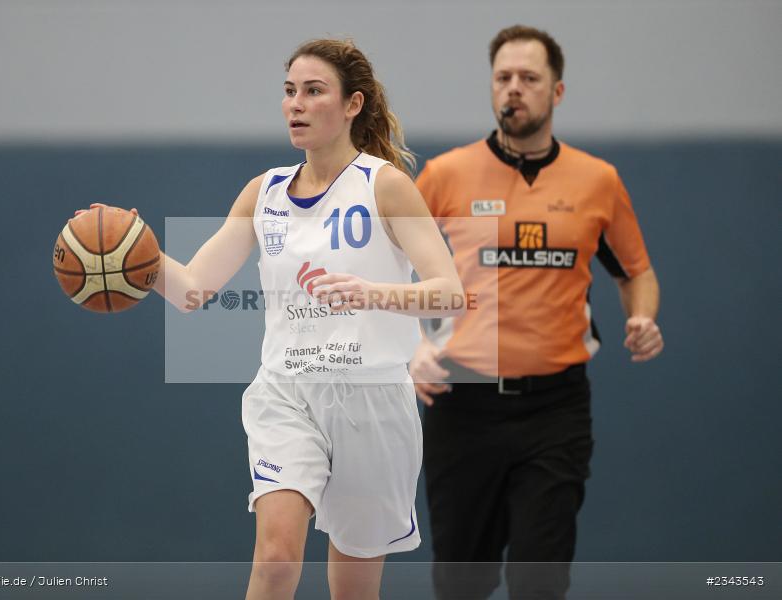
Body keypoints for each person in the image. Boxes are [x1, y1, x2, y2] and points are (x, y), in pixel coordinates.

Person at [79, 39, 462, 599]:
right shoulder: (265, 192)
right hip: (286, 392)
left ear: (352, 105)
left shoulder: (384, 185)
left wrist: (372, 293)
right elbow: (192, 290)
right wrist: (135, 251)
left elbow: (449, 293)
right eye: (289, 92)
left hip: (373, 398)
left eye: (313, 91)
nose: (296, 105)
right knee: (277, 557)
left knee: (353, 589)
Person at [408, 25, 665, 600]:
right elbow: (390, 270)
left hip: (556, 408)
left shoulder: (598, 181)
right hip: (463, 403)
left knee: (539, 579)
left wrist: (641, 318)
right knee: (460, 580)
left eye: (529, 78)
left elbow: (636, 274)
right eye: (503, 78)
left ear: (557, 91)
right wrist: (413, 347)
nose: (514, 90)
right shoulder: (446, 176)